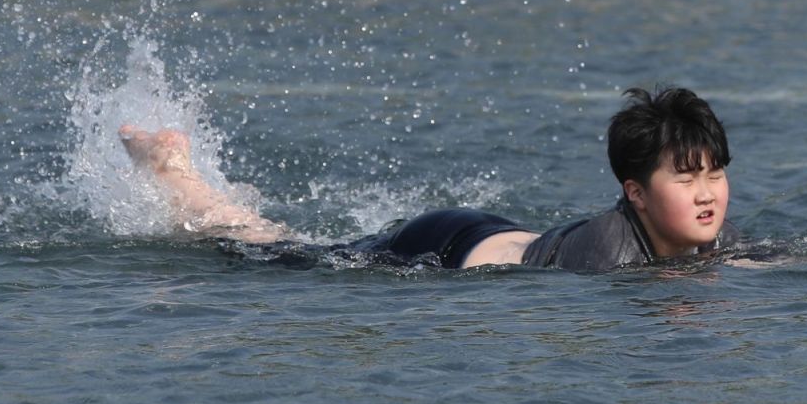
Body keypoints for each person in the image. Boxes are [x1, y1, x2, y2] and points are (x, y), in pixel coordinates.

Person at [119, 86, 739, 272]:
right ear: (635, 193)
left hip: (499, 232)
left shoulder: (693, 235)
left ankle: (178, 173)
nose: (707, 193)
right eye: (687, 180)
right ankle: (174, 176)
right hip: (443, 247)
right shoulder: (611, 254)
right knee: (283, 255)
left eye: (714, 174)